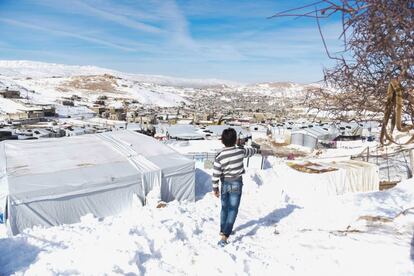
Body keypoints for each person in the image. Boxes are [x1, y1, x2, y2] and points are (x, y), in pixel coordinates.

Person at [212, 128, 264, 247]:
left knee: (224, 207)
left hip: (225, 183)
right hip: (236, 183)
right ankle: (225, 235)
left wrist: (215, 189)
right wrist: (256, 149)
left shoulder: (219, 156)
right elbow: (251, 151)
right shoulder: (240, 151)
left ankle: (223, 229)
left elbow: (215, 174)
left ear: (222, 141)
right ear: (235, 140)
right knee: (233, 209)